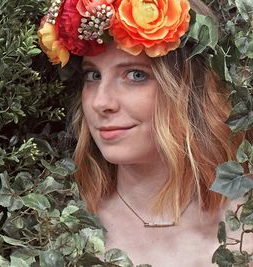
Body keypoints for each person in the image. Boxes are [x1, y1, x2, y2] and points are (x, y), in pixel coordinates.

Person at [38, 0, 253, 266]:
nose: (100, 102)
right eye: (93, 76)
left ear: (189, 90)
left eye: (135, 75)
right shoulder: (47, 228)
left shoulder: (245, 228)